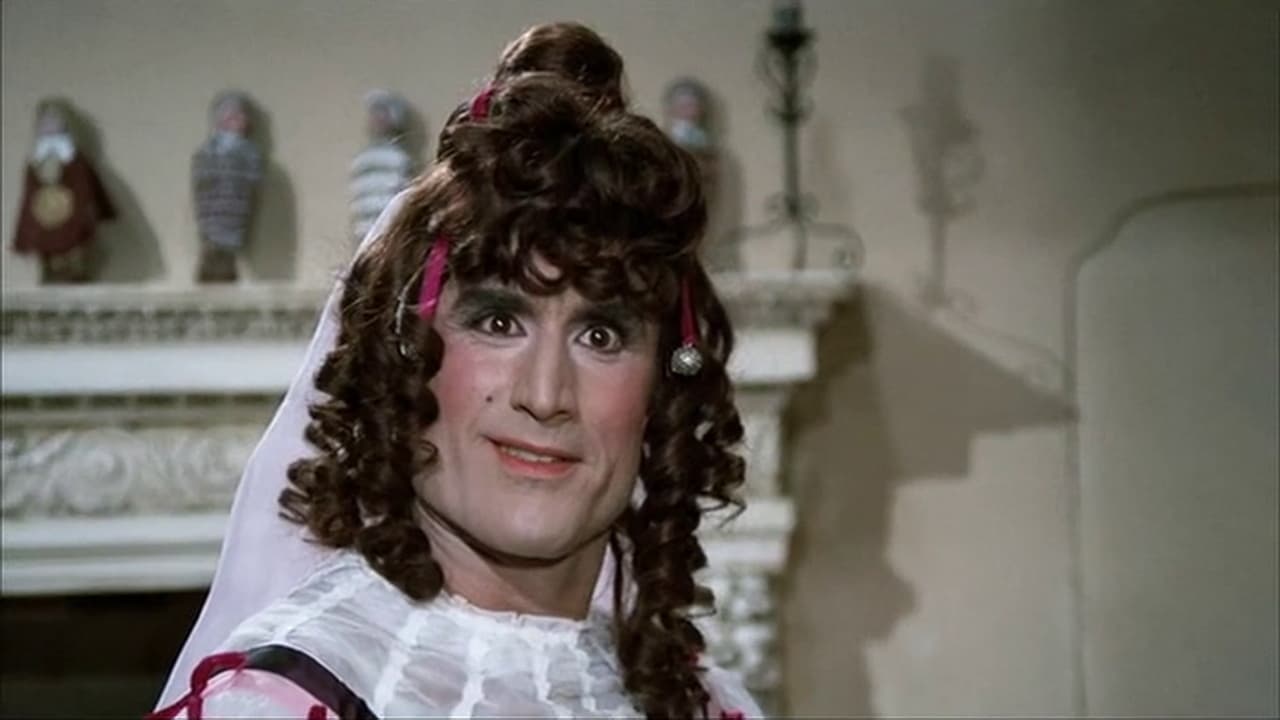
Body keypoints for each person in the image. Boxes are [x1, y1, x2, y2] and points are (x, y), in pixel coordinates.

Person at [152, 22, 760, 719]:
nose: (545, 395)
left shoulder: (708, 703)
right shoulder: (279, 705)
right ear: (405, 356)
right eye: (498, 322)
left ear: (661, 387)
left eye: (600, 335)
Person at [10, 99, 116, 284]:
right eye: (45, 123)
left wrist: (94, 212)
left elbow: (86, 188)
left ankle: (76, 271)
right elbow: (29, 198)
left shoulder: (78, 162)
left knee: (74, 255)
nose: (50, 128)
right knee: (49, 259)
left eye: (54, 122)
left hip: (72, 221)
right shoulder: (34, 164)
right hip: (44, 221)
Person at [192, 90, 262, 283]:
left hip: (235, 216)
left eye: (241, 116)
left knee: (225, 257)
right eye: (232, 116)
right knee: (215, 255)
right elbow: (201, 184)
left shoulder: (249, 153)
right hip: (211, 219)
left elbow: (252, 183)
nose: (239, 121)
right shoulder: (207, 152)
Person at [350, 89, 416, 243]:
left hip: (388, 230)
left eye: (381, 114)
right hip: (363, 229)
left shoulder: (399, 159)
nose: (376, 119)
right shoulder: (362, 160)